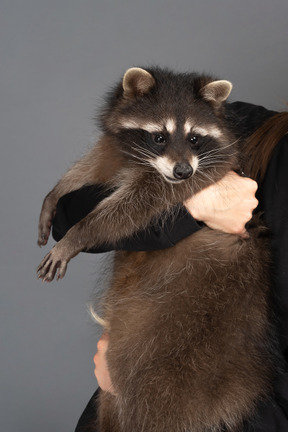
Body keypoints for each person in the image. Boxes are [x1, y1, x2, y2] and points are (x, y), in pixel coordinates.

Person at [51, 101, 288, 431]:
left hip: (220, 411)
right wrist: (190, 207)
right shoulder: (245, 133)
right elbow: (67, 215)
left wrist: (144, 384)